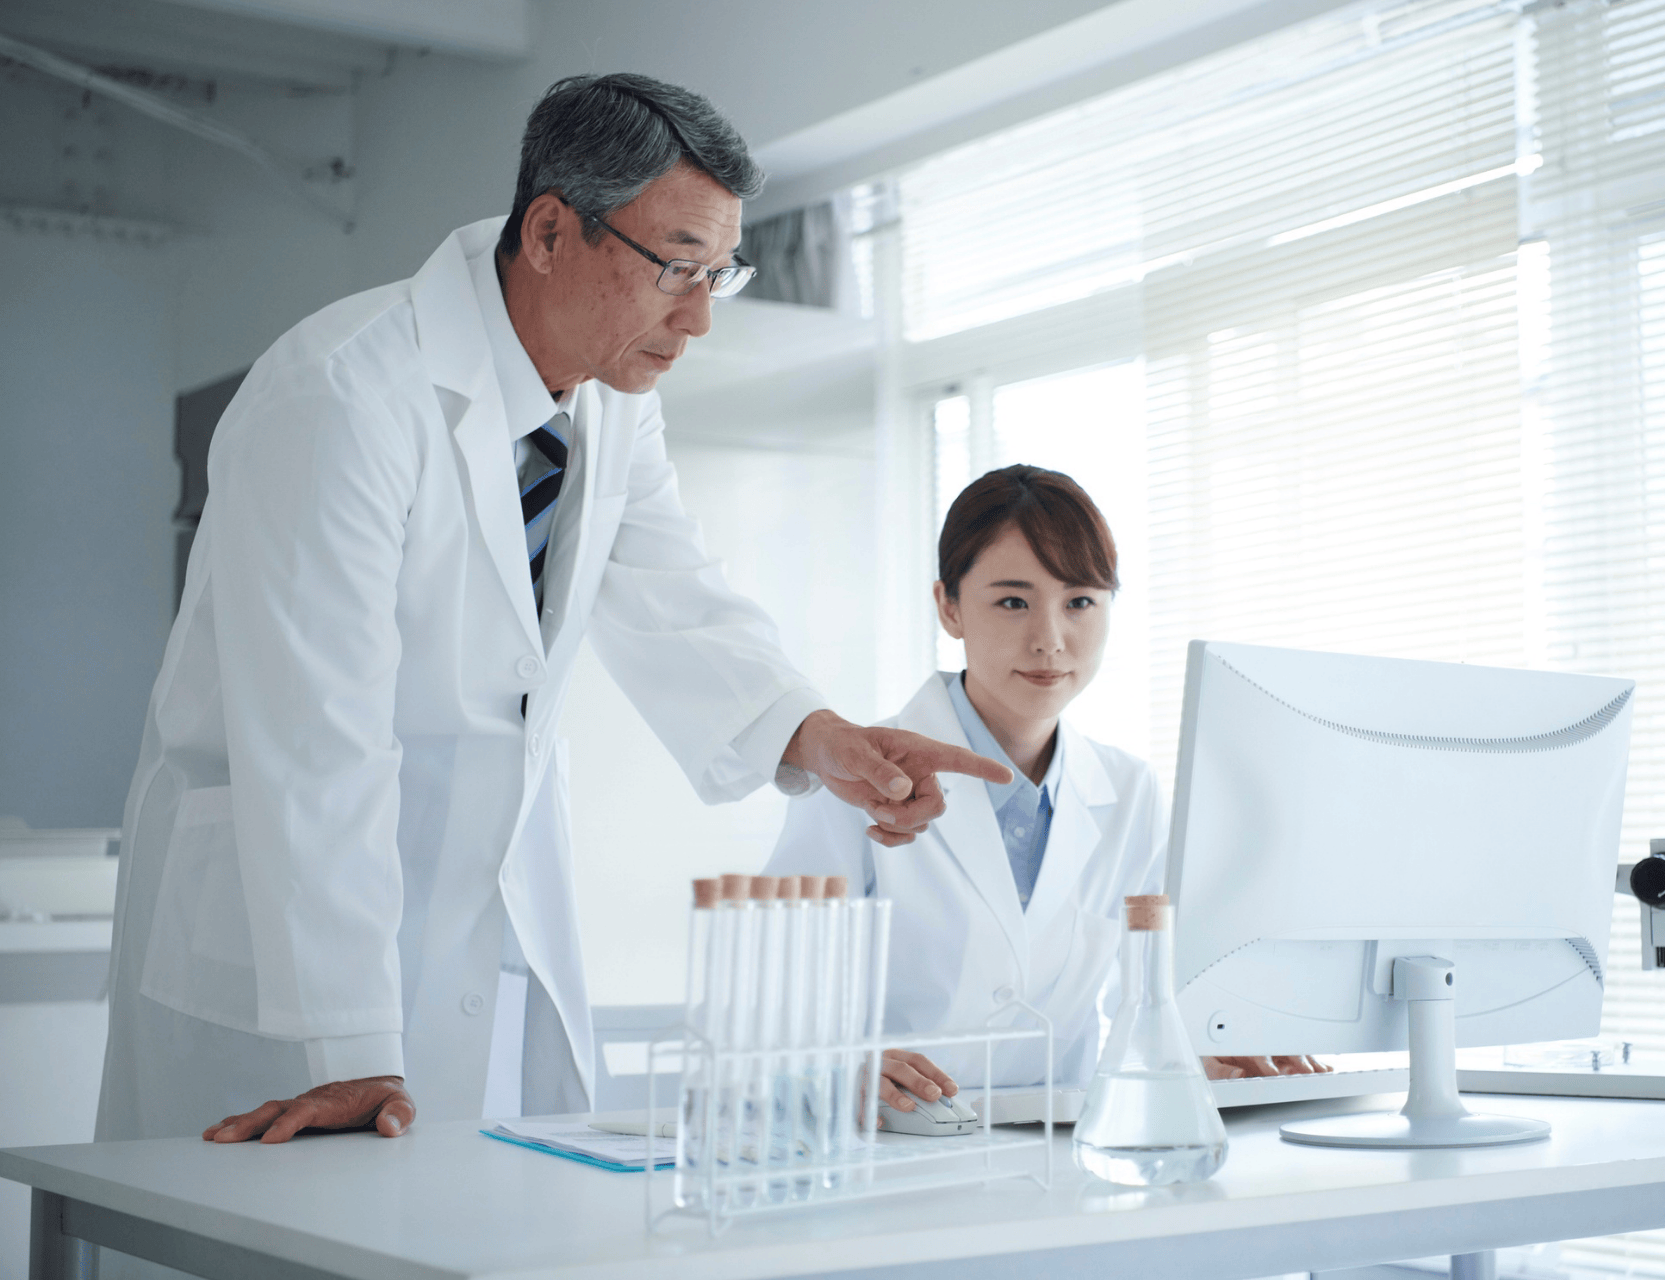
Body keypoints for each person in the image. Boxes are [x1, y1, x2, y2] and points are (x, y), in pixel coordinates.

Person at [95, 73, 1008, 1147]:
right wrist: (345, 1042)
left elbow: (676, 594)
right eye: (676, 267)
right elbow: (315, 738)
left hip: (473, 929)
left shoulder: (610, 402)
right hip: (287, 968)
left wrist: (821, 737)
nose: (700, 317)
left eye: (720, 274)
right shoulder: (344, 393)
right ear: (548, 233)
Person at [765, 465, 1324, 1114]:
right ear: (949, 607)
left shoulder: (1130, 791)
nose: (1050, 641)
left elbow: (1148, 1001)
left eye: (1079, 602)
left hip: (1058, 1141)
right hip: (891, 1138)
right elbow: (765, 1003)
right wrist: (834, 1066)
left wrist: (1208, 1051)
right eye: (1013, 602)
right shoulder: (856, 775)